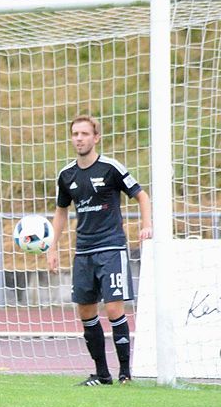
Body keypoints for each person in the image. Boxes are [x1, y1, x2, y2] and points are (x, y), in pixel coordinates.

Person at [47, 115, 152, 386]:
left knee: (115, 309)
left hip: (111, 248)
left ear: (96, 137)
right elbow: (61, 212)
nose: (79, 138)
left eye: (84, 133)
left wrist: (146, 225)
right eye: (75, 134)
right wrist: (52, 246)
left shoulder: (110, 168)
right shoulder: (66, 174)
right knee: (86, 313)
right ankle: (102, 374)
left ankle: (125, 373)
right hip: (83, 252)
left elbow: (141, 195)